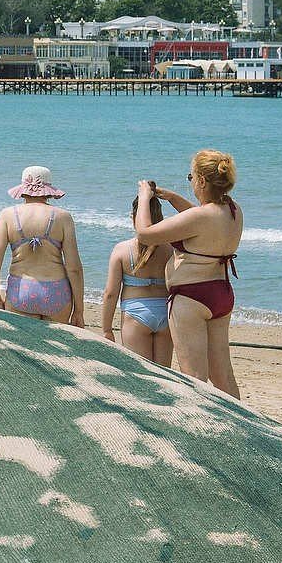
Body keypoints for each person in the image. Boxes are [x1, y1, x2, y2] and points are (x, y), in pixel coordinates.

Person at [136, 150, 245, 398]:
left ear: (202, 181)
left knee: (193, 377)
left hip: (191, 298)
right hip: (221, 292)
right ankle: (240, 425)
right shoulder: (232, 210)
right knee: (223, 376)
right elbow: (197, 219)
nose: (192, 182)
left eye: (191, 177)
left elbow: (144, 233)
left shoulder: (201, 216)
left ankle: (200, 428)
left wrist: (144, 197)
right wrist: (171, 197)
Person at [0, 166, 85, 326]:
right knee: (56, 347)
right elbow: (74, 268)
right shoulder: (63, 217)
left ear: (23, 189)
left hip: (21, 291)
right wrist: (79, 310)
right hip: (56, 292)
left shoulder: (8, 215)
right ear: (48, 190)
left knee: (23, 347)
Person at [101, 189, 174, 367]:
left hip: (136, 315)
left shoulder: (122, 250)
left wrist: (107, 329)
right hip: (166, 314)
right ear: (161, 219)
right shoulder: (171, 248)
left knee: (141, 374)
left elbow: (111, 293)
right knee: (165, 376)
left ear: (133, 216)